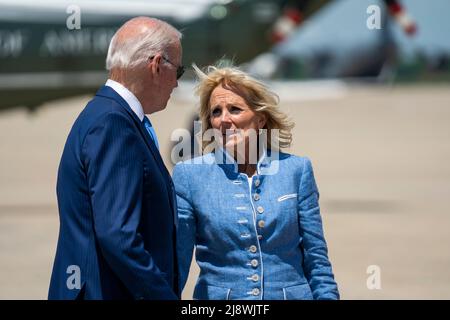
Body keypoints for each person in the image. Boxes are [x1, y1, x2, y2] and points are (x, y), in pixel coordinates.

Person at [172, 65, 339, 300]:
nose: (224, 120)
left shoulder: (296, 170)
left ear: (260, 119)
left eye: (235, 109)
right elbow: (175, 266)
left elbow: (317, 260)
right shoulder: (189, 176)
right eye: (216, 112)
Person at [48, 17, 184, 300]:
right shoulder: (114, 123)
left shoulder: (104, 113)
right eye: (178, 71)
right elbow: (119, 236)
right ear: (157, 65)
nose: (177, 84)